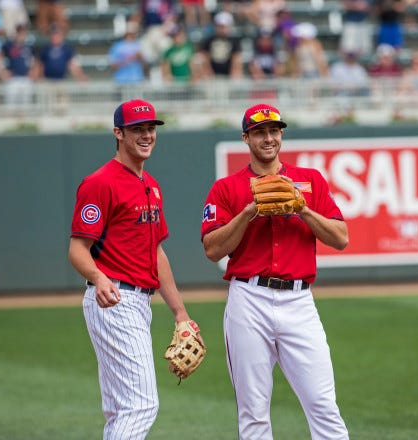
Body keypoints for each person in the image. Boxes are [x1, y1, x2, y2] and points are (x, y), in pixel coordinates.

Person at [200, 103, 349, 439]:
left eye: (273, 131)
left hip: (299, 302)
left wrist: (303, 209)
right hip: (248, 298)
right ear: (246, 138)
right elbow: (212, 249)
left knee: (323, 403)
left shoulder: (310, 181)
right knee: (253, 412)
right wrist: (248, 212)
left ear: (281, 134)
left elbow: (341, 238)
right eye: (259, 132)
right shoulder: (227, 188)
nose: (268, 138)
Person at [69, 99, 203, 439]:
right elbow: (77, 249)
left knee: (120, 410)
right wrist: (98, 277)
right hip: (113, 298)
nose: (146, 135)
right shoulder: (100, 182)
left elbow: (156, 251)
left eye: (150, 129)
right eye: (136, 129)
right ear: (118, 133)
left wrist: (180, 313)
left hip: (138, 302)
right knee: (142, 405)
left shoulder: (151, 185)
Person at [195, 11, 243, 80]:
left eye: (224, 26)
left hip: (228, 73)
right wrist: (208, 71)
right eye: (220, 26)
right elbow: (205, 56)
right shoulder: (209, 40)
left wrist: (234, 73)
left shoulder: (234, 41)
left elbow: (236, 58)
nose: (222, 29)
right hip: (212, 73)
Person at [1, 23, 36, 112]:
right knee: (11, 107)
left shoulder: (29, 46)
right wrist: (2, 71)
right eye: (19, 32)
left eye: (23, 32)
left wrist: (34, 72)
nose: (21, 35)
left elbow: (36, 61)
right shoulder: (8, 45)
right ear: (16, 33)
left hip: (26, 78)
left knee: (26, 107)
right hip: (13, 78)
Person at [108, 20, 146, 85]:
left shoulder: (140, 44)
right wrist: (131, 58)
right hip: (121, 81)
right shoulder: (117, 46)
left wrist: (140, 58)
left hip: (137, 80)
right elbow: (113, 65)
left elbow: (145, 64)